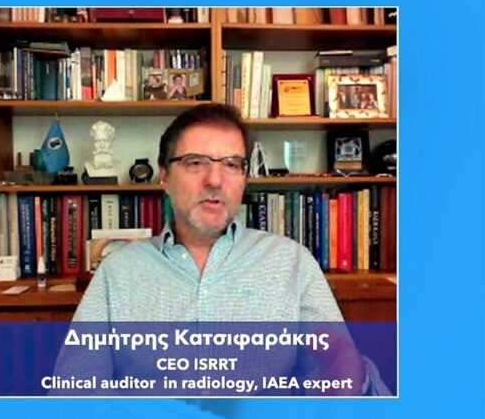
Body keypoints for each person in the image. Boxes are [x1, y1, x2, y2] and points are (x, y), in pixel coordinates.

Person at [53, 103, 383, 395]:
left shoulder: (291, 261)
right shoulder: (118, 272)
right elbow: (75, 393)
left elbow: (343, 378)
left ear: (244, 178)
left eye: (231, 164)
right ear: (164, 176)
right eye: (195, 162)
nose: (214, 179)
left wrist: (351, 379)